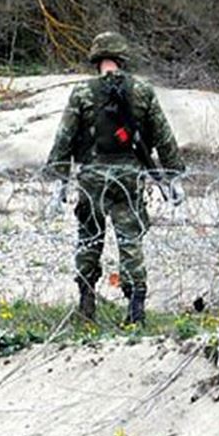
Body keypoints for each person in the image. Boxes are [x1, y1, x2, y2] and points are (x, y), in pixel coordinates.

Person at [45, 31, 186, 325]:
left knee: (89, 238)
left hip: (92, 177)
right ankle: (136, 311)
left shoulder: (82, 93)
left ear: (96, 60)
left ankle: (86, 302)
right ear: (122, 58)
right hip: (129, 176)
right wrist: (173, 178)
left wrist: (59, 179)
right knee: (130, 240)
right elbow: (163, 135)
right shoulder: (143, 91)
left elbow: (65, 137)